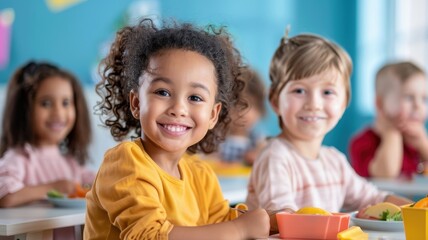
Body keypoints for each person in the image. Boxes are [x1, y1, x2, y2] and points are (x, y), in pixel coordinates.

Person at [84, 18, 270, 240]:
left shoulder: (200, 175)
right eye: (163, 92)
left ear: (213, 114)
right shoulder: (125, 163)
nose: (178, 108)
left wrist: (270, 220)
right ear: (136, 103)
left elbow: (218, 224)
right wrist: (240, 229)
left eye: (195, 97)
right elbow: (148, 236)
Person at [245, 33, 412, 233]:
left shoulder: (335, 161)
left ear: (343, 104)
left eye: (327, 92)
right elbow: (281, 219)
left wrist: (416, 210)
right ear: (275, 101)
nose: (314, 104)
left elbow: (377, 199)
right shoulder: (275, 157)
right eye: (299, 90)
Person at [0, 61, 95, 208]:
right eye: (46, 103)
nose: (58, 113)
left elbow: (99, 182)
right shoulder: (19, 158)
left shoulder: (71, 163)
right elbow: (5, 196)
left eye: (65, 103)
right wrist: (53, 188)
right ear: (24, 110)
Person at [349, 61, 428, 179]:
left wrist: (423, 144)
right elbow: (386, 174)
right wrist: (392, 133)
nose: (418, 106)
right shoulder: (363, 142)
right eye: (409, 97)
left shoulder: (416, 141)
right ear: (380, 104)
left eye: (424, 99)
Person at [211, 67, 267, 166]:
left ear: (260, 109)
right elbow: (206, 159)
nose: (244, 112)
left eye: (252, 105)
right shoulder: (217, 136)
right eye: (238, 105)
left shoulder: (256, 138)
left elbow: (265, 154)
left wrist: (257, 155)